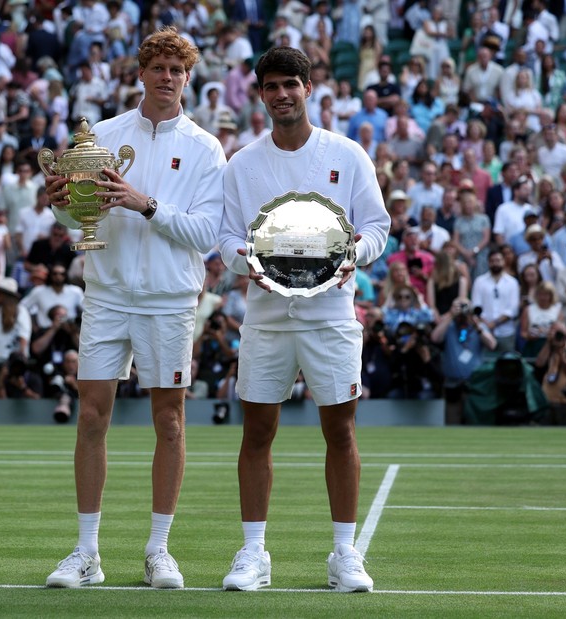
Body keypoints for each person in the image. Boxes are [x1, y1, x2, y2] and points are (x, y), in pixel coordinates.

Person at [43, 27, 226, 590]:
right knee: (91, 416)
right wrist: (61, 207)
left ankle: (158, 550)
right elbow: (80, 219)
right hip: (106, 293)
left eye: (177, 69)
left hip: (170, 301)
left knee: (169, 421)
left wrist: (145, 204)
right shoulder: (100, 135)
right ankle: (87, 553)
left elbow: (207, 235)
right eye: (158, 67)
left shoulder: (205, 147)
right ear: (141, 73)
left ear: (188, 79)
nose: (167, 77)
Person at [217, 47, 389, 593]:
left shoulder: (348, 154)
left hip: (332, 315)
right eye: (271, 86)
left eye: (291, 83)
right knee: (257, 432)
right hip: (266, 316)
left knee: (340, 430)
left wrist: (351, 256)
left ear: (308, 88)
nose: (282, 94)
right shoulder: (242, 164)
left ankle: (344, 554)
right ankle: (252, 554)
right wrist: (252, 263)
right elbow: (224, 239)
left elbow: (377, 228)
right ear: (260, 94)